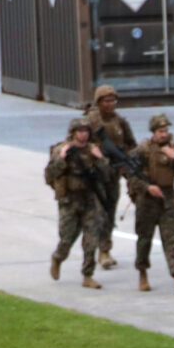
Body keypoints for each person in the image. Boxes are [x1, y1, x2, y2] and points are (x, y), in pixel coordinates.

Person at [46, 118, 111, 289]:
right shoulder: (63, 150)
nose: (83, 134)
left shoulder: (93, 150)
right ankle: (58, 257)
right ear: (73, 132)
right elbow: (50, 174)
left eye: (86, 131)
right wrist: (62, 158)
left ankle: (87, 275)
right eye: (80, 131)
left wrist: (101, 158)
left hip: (90, 199)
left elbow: (107, 175)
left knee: (91, 239)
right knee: (67, 237)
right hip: (70, 200)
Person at [131, 113, 174, 294]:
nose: (163, 134)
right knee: (144, 240)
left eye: (165, 130)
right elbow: (131, 176)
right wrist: (147, 188)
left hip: (167, 198)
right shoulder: (142, 150)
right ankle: (142, 272)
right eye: (160, 131)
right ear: (153, 132)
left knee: (171, 237)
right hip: (147, 201)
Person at [86, 86, 137, 270]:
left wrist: (129, 161)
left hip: (113, 174)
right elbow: (77, 142)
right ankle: (95, 253)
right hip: (95, 175)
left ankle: (105, 250)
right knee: (97, 214)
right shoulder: (90, 122)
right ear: (98, 102)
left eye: (113, 101)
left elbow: (131, 144)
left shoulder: (120, 122)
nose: (110, 104)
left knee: (109, 212)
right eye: (106, 101)